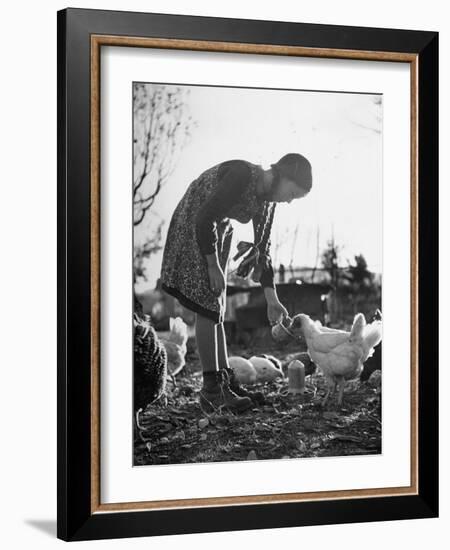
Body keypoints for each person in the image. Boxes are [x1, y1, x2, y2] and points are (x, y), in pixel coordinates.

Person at [160, 153, 313, 412]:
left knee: (217, 308)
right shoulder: (243, 175)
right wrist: (212, 265)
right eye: (292, 193)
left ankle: (225, 381)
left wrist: (272, 298)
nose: (289, 200)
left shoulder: (267, 203)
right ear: (282, 175)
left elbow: (261, 251)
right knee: (207, 305)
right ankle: (211, 390)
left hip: (217, 231)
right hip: (196, 222)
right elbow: (203, 217)